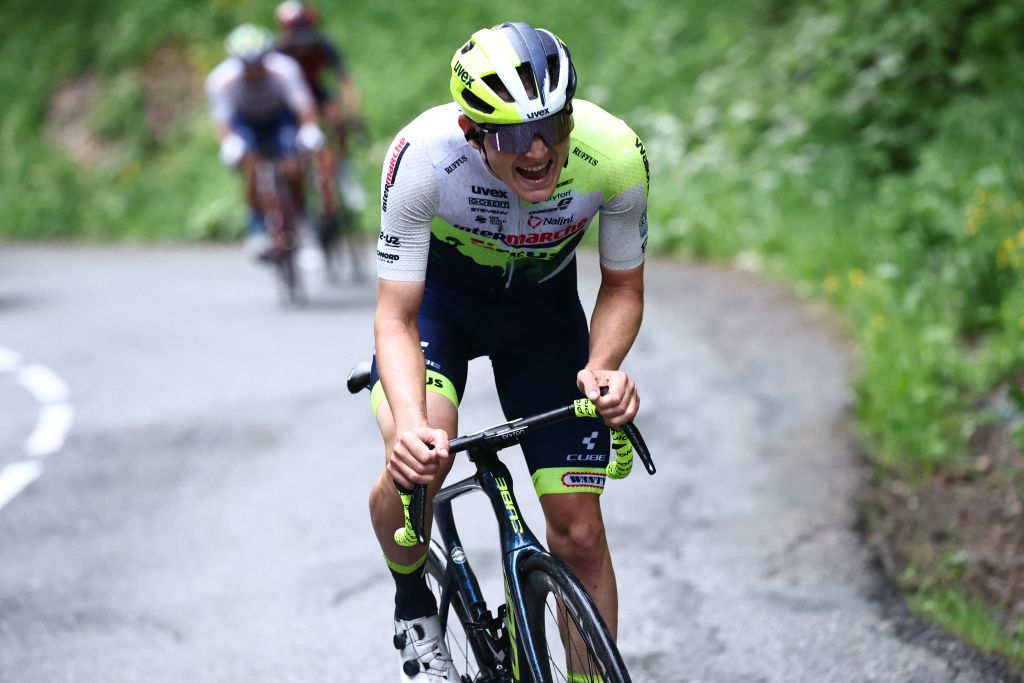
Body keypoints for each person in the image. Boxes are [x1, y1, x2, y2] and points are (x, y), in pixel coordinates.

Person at [366, 21, 649, 681]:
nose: (539, 151)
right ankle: (414, 604)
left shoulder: (615, 153)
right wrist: (409, 427)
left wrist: (602, 364)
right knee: (423, 453)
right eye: (514, 136)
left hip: (544, 320)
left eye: (553, 125)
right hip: (443, 309)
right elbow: (395, 315)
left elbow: (624, 286)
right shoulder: (423, 156)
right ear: (473, 133)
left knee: (580, 532)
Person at [205, 23, 326, 259]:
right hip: (246, 123)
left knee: (293, 169)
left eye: (259, 62)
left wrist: (309, 129)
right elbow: (223, 121)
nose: (254, 70)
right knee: (250, 166)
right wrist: (229, 143)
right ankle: (257, 229)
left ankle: (303, 225)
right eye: (247, 65)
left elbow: (304, 107)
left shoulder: (285, 69)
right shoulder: (220, 80)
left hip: (280, 119)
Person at [274, 1, 367, 213]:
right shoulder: (279, 50)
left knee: (337, 118)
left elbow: (344, 81)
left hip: (315, 92)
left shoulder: (322, 44)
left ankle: (344, 172)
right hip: (290, 100)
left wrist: (352, 111)